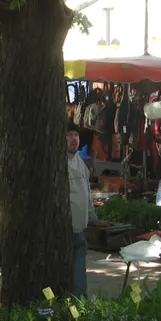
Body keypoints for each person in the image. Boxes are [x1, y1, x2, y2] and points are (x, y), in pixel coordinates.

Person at [67, 124, 96, 296]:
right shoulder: (57, 164)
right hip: (65, 226)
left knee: (79, 266)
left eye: (76, 135)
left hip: (80, 226)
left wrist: (93, 217)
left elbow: (87, 194)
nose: (74, 139)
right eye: (69, 135)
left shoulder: (81, 164)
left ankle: (79, 300)